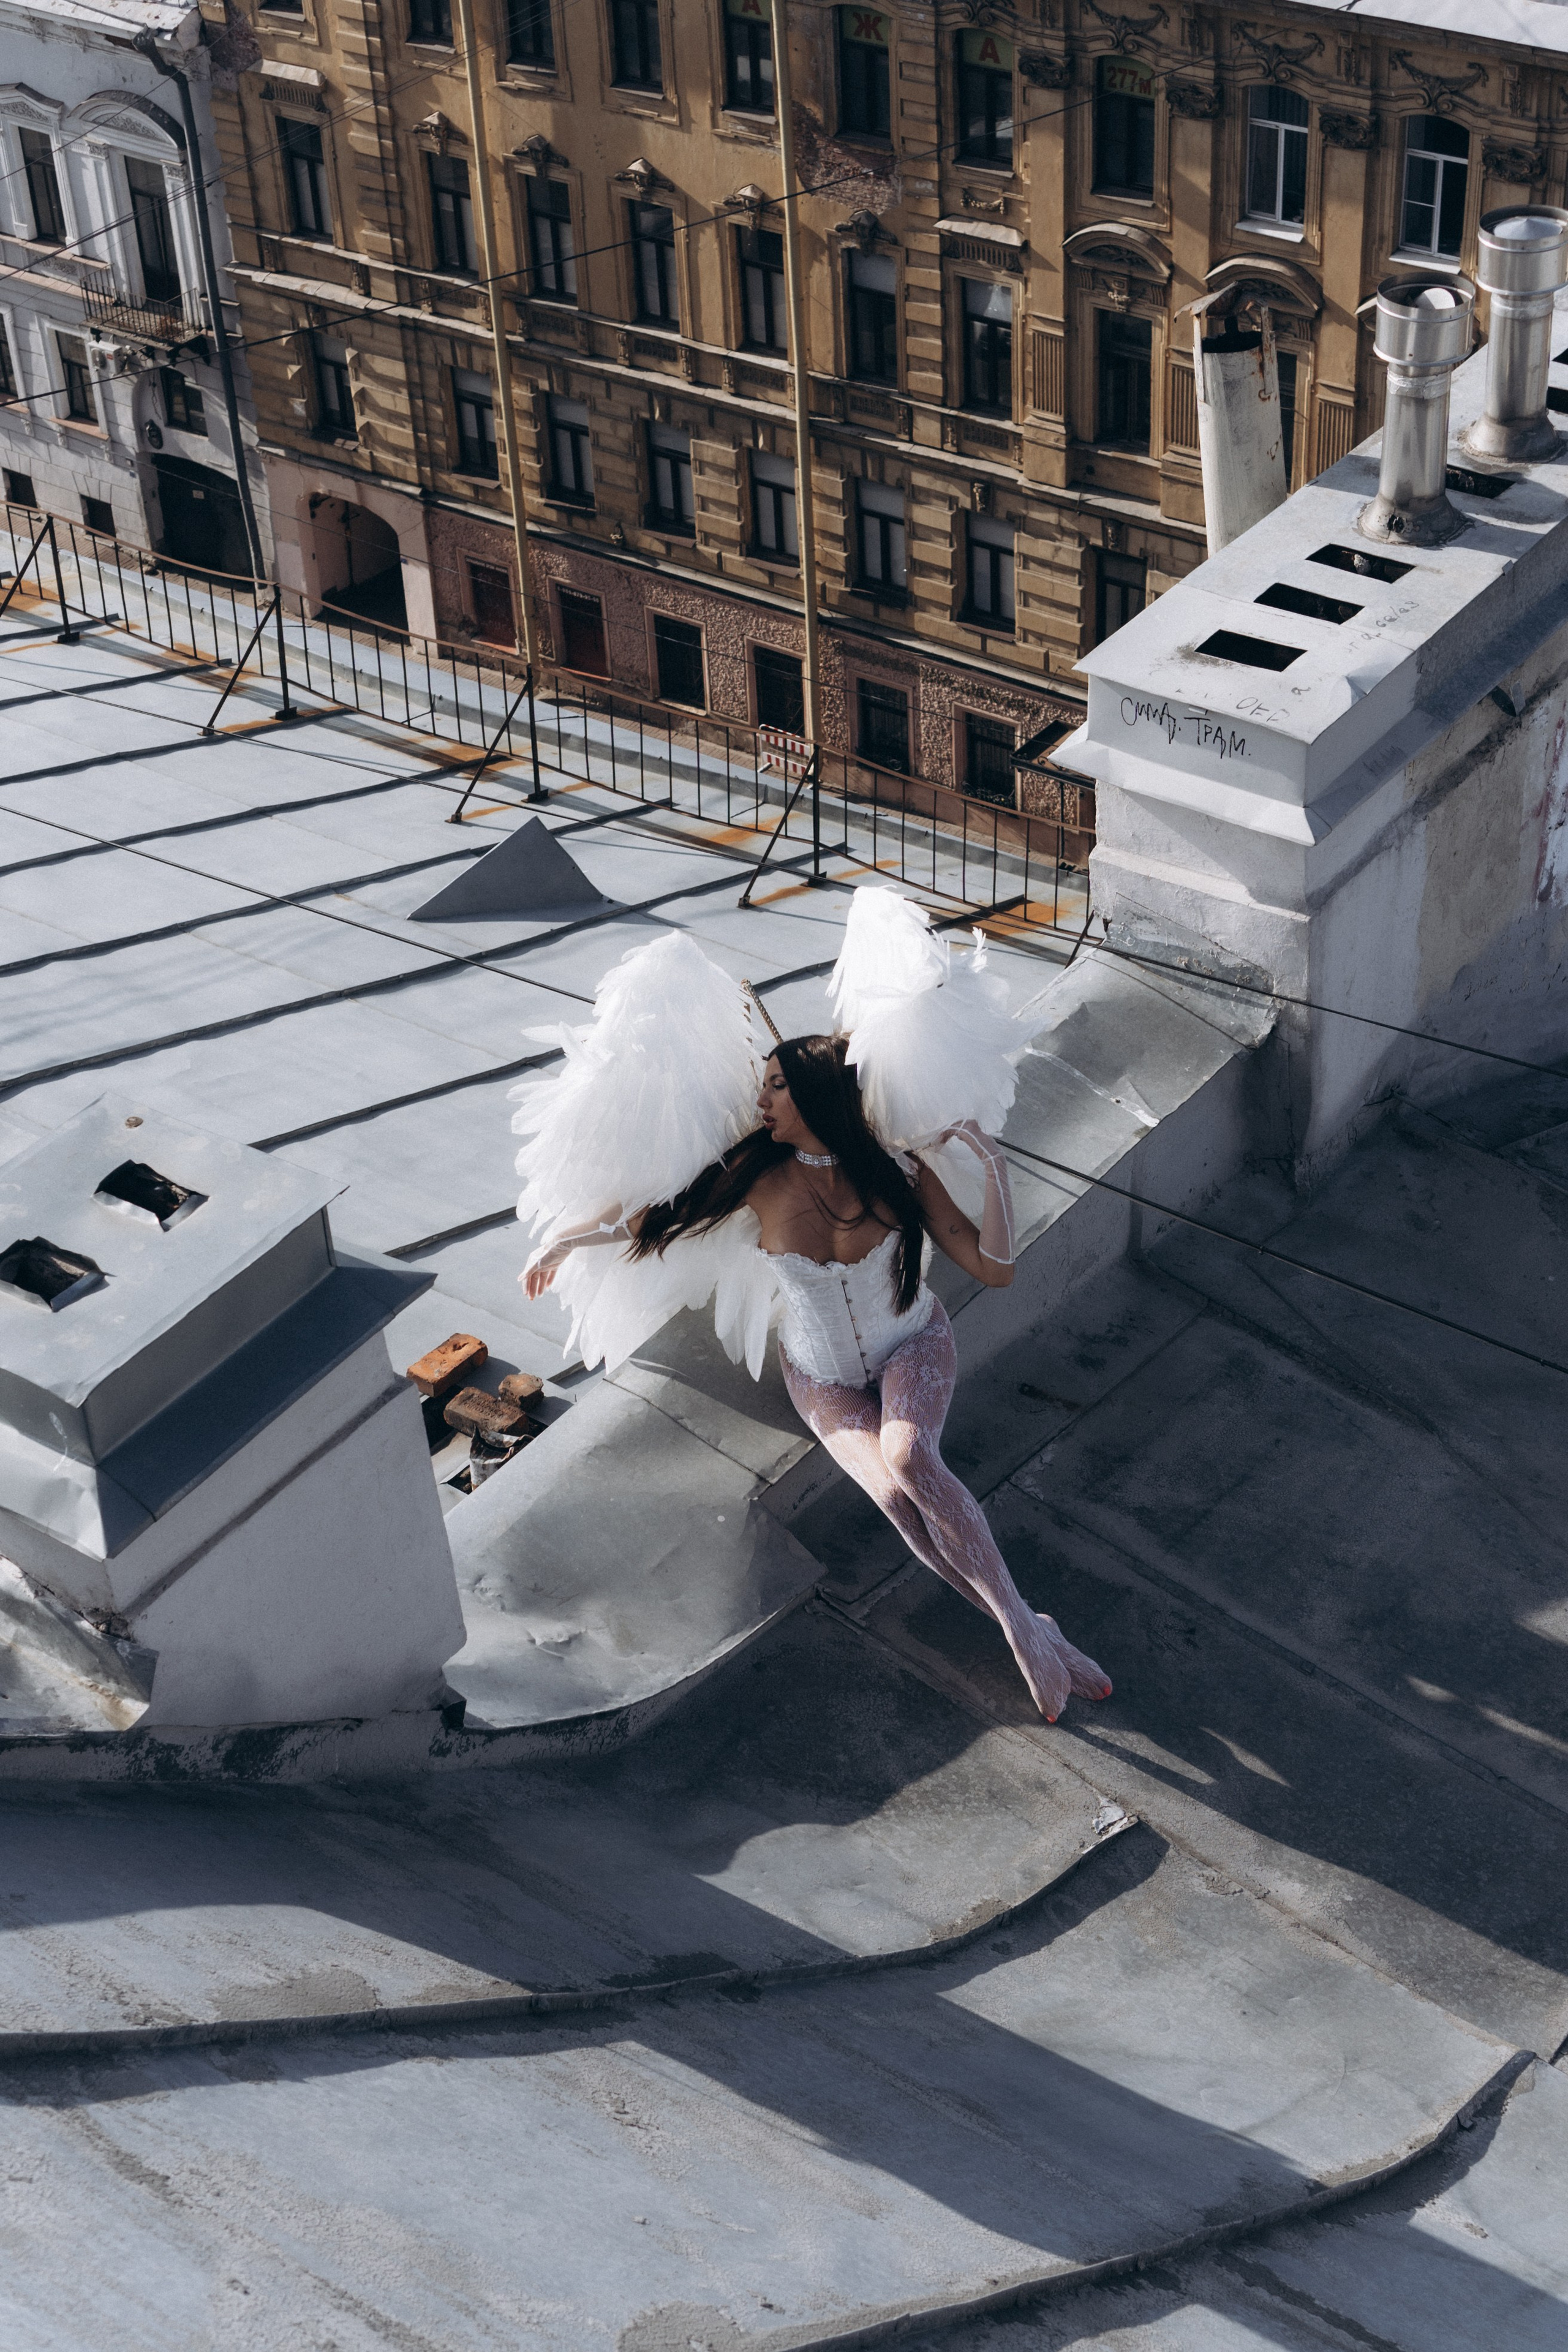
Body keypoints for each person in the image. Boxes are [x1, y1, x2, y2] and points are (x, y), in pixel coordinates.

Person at [526, 1030, 1110, 1723]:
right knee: (895, 1498)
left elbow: (996, 1270)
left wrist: (992, 1164)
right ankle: (1029, 1627)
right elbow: (650, 1215)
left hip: (913, 1344)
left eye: (777, 1086)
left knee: (910, 1457)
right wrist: (562, 1241)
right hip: (820, 1375)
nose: (762, 1101)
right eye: (764, 1086)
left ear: (817, 1095)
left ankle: (1020, 1634)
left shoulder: (898, 1172)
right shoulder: (756, 1175)